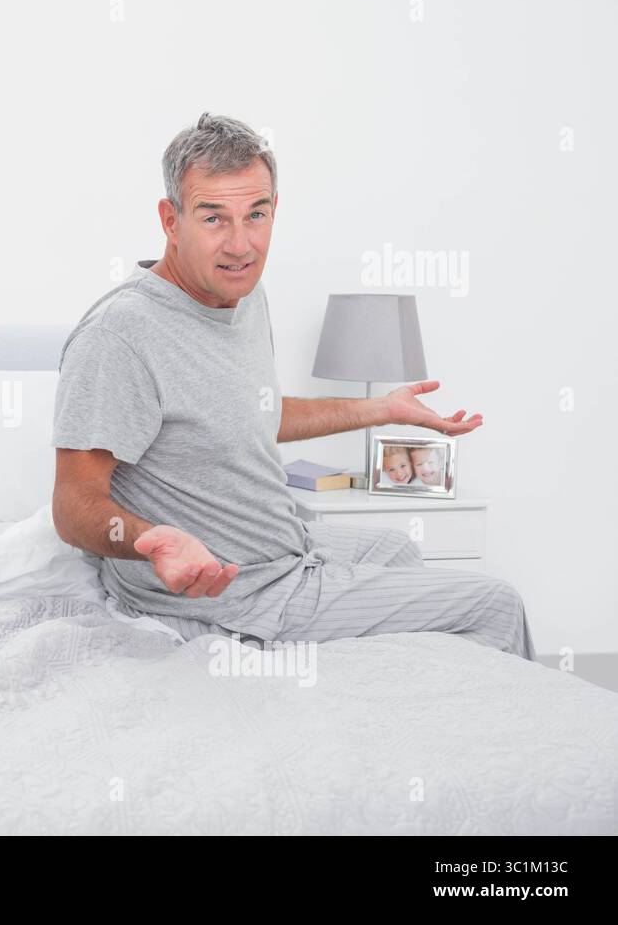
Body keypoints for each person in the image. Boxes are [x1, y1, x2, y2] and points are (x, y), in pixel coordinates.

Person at [50, 113, 534, 660]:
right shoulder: (119, 337)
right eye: (214, 218)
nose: (241, 244)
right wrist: (148, 539)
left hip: (284, 551)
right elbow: (73, 503)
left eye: (255, 214)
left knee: (398, 547)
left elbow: (253, 413)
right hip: (232, 594)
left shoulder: (243, 294)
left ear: (273, 210)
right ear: (170, 219)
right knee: (496, 603)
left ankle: (395, 707)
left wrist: (382, 408)